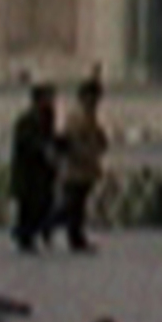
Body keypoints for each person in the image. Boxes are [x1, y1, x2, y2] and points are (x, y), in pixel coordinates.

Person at [56, 78, 108, 253]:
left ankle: (76, 235)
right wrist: (85, 156)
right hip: (77, 168)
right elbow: (72, 141)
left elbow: (96, 139)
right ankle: (69, 235)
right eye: (94, 97)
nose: (96, 102)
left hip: (86, 168)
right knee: (73, 204)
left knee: (78, 204)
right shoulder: (77, 116)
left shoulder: (90, 116)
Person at [9, 84, 60, 253]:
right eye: (48, 98)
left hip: (43, 173)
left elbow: (51, 139)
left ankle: (39, 233)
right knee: (28, 206)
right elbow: (26, 143)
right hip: (29, 173)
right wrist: (44, 149)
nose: (52, 102)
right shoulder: (27, 120)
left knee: (43, 204)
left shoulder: (48, 118)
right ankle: (25, 237)